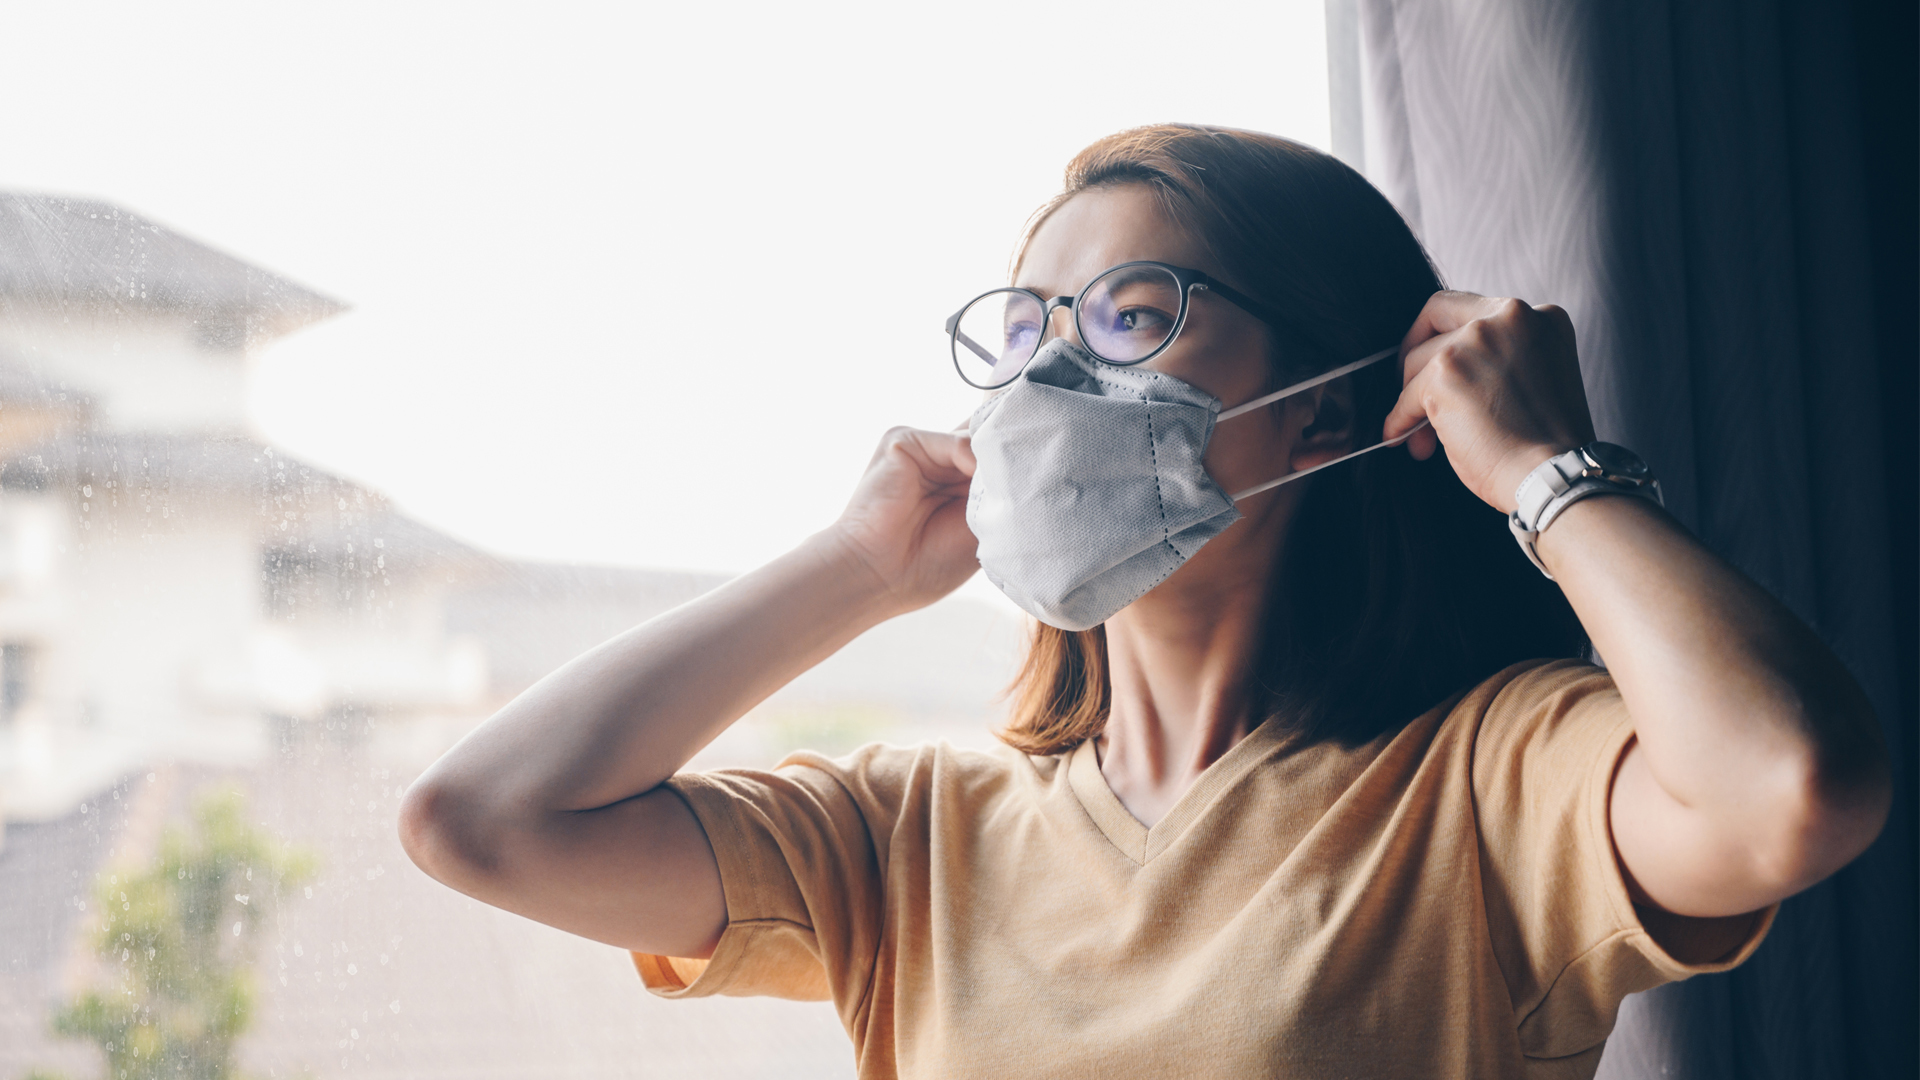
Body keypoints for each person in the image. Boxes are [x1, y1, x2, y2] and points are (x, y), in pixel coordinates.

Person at [397, 125, 1890, 1078]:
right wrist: (855, 570)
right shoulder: (908, 837)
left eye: (1130, 317)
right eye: (1029, 329)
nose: (1053, 379)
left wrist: (1547, 469)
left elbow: (1788, 787)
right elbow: (481, 823)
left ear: (1334, 407)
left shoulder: (1488, 783)